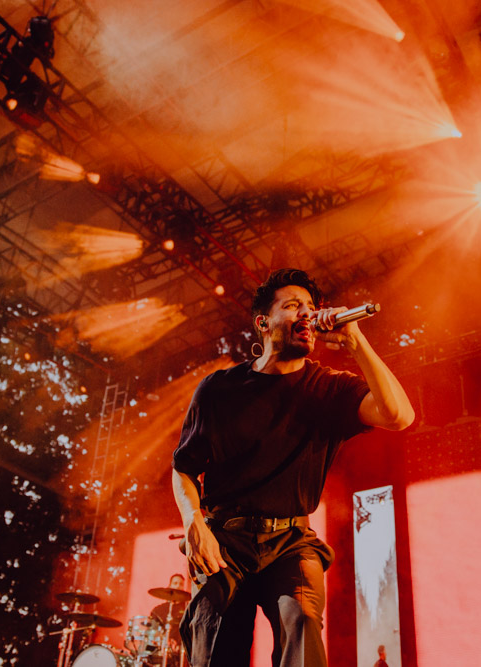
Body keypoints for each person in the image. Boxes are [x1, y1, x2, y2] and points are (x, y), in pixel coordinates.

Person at [171, 268, 415, 666]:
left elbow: (399, 416)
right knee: (213, 641)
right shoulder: (218, 389)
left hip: (291, 542)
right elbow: (183, 466)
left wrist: (356, 343)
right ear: (263, 323)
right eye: (293, 306)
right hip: (225, 540)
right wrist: (193, 524)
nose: (307, 313)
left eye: (311, 307)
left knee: (300, 621)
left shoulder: (329, 387)